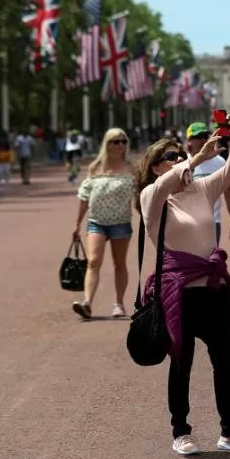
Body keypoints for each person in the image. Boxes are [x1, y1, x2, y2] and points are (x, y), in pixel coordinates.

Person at [136, 121, 230, 456]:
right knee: (182, 362)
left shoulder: (201, 189)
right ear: (155, 167)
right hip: (178, 292)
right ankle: (181, 431)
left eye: (180, 154)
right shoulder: (152, 196)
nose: (179, 159)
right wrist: (193, 159)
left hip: (212, 287)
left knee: (224, 361)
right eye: (171, 157)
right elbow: (164, 185)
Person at [70, 128, 135, 320]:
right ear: (107, 144)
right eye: (116, 142)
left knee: (119, 263)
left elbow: (140, 195)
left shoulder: (131, 167)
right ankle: (87, 303)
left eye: (123, 141)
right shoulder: (95, 168)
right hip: (96, 222)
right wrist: (77, 224)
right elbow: (84, 196)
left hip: (120, 223)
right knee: (93, 261)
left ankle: (119, 304)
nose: (120, 145)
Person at [184, 122, 230, 247]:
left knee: (209, 263)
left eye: (206, 136)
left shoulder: (219, 162)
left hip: (213, 222)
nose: (203, 140)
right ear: (188, 141)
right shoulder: (182, 163)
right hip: (187, 222)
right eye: (198, 137)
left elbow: (229, 193)